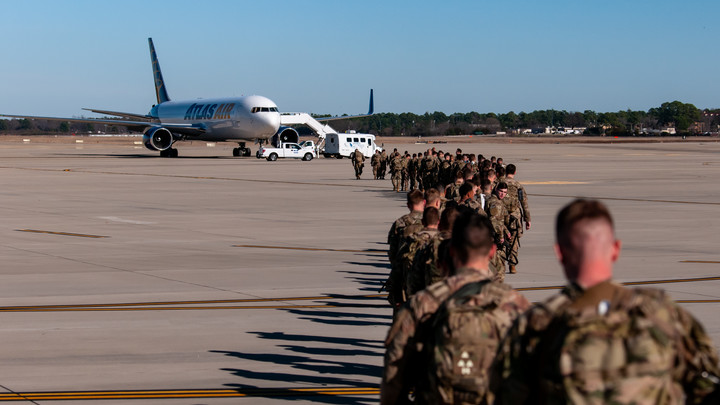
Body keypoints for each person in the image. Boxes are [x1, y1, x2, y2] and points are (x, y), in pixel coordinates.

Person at [490, 199, 720, 404]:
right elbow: (708, 385)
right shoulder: (666, 316)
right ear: (615, 249)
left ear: (560, 253)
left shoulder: (536, 326)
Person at [381, 212, 530, 405]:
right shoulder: (516, 306)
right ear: (492, 252)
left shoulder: (423, 304)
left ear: (451, 250)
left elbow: (393, 381)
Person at [385, 190, 425, 309]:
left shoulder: (400, 223)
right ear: (423, 202)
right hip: (423, 272)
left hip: (404, 271)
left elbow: (393, 252)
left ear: (408, 205)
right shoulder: (430, 221)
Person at [502, 164, 531, 274]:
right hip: (515, 217)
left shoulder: (499, 184)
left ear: (505, 171)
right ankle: (512, 265)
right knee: (514, 241)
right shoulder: (518, 185)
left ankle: (501, 263)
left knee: (501, 239)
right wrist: (527, 219)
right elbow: (524, 203)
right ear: (514, 172)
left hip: (502, 216)